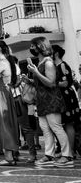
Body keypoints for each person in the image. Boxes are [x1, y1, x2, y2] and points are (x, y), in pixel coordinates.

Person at [26, 37, 73, 167]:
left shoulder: (48, 63)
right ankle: (49, 155)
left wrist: (35, 72)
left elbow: (51, 83)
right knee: (46, 129)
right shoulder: (41, 62)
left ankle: (67, 155)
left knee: (56, 127)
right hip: (42, 100)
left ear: (40, 46)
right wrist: (29, 80)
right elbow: (41, 83)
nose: (31, 48)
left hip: (51, 100)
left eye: (33, 46)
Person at [52, 44, 80, 157]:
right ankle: (66, 149)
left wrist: (52, 84)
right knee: (62, 124)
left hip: (67, 97)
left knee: (68, 123)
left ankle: (71, 151)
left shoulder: (63, 65)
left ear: (56, 53)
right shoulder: (55, 66)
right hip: (61, 96)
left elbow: (66, 83)